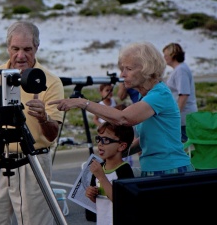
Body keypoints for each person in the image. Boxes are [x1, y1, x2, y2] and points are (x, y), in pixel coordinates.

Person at [0, 21, 64, 225]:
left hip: (33, 161)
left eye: (27, 49)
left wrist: (44, 117)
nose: (21, 55)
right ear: (8, 47)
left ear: (37, 47)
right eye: (15, 49)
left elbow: (52, 135)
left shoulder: (51, 81)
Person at [49, 41, 194, 177]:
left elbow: (123, 118)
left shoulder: (159, 94)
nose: (122, 75)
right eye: (122, 69)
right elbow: (146, 140)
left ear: (147, 69)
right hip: (155, 169)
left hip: (169, 171)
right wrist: (116, 152)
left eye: (128, 69)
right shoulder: (147, 96)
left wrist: (83, 103)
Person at [85, 121, 135, 225]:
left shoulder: (124, 170)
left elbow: (121, 201)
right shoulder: (99, 169)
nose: (99, 143)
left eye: (106, 140)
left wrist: (102, 177)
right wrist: (91, 194)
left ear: (121, 146)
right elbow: (100, 200)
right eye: (98, 139)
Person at [162, 42, 198, 143]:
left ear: (173, 55)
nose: (164, 57)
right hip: (183, 117)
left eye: (166, 55)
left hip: (184, 118)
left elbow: (184, 94)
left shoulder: (181, 70)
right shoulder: (179, 69)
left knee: (184, 147)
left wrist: (175, 116)